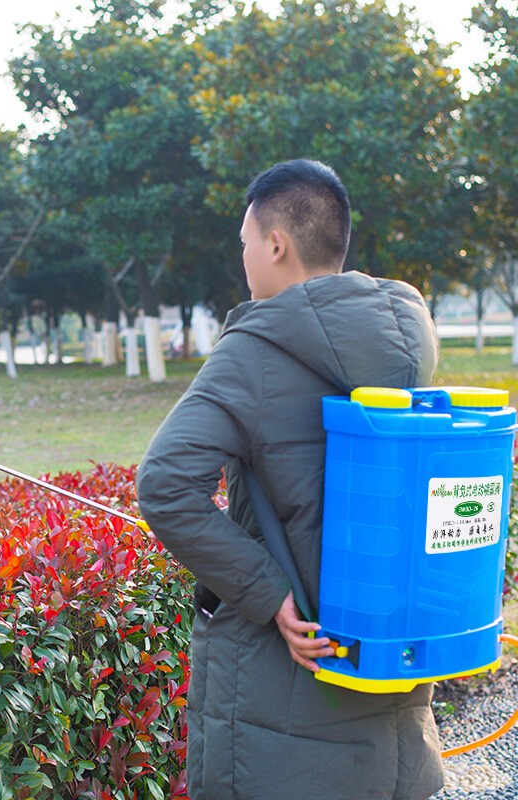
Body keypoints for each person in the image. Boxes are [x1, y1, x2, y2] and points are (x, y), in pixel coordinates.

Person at [135, 159, 442, 800]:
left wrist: (269, 594)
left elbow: (165, 485)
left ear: (275, 244)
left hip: (280, 718)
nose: (243, 257)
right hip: (392, 698)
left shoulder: (254, 349)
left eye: (245, 242)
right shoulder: (410, 345)